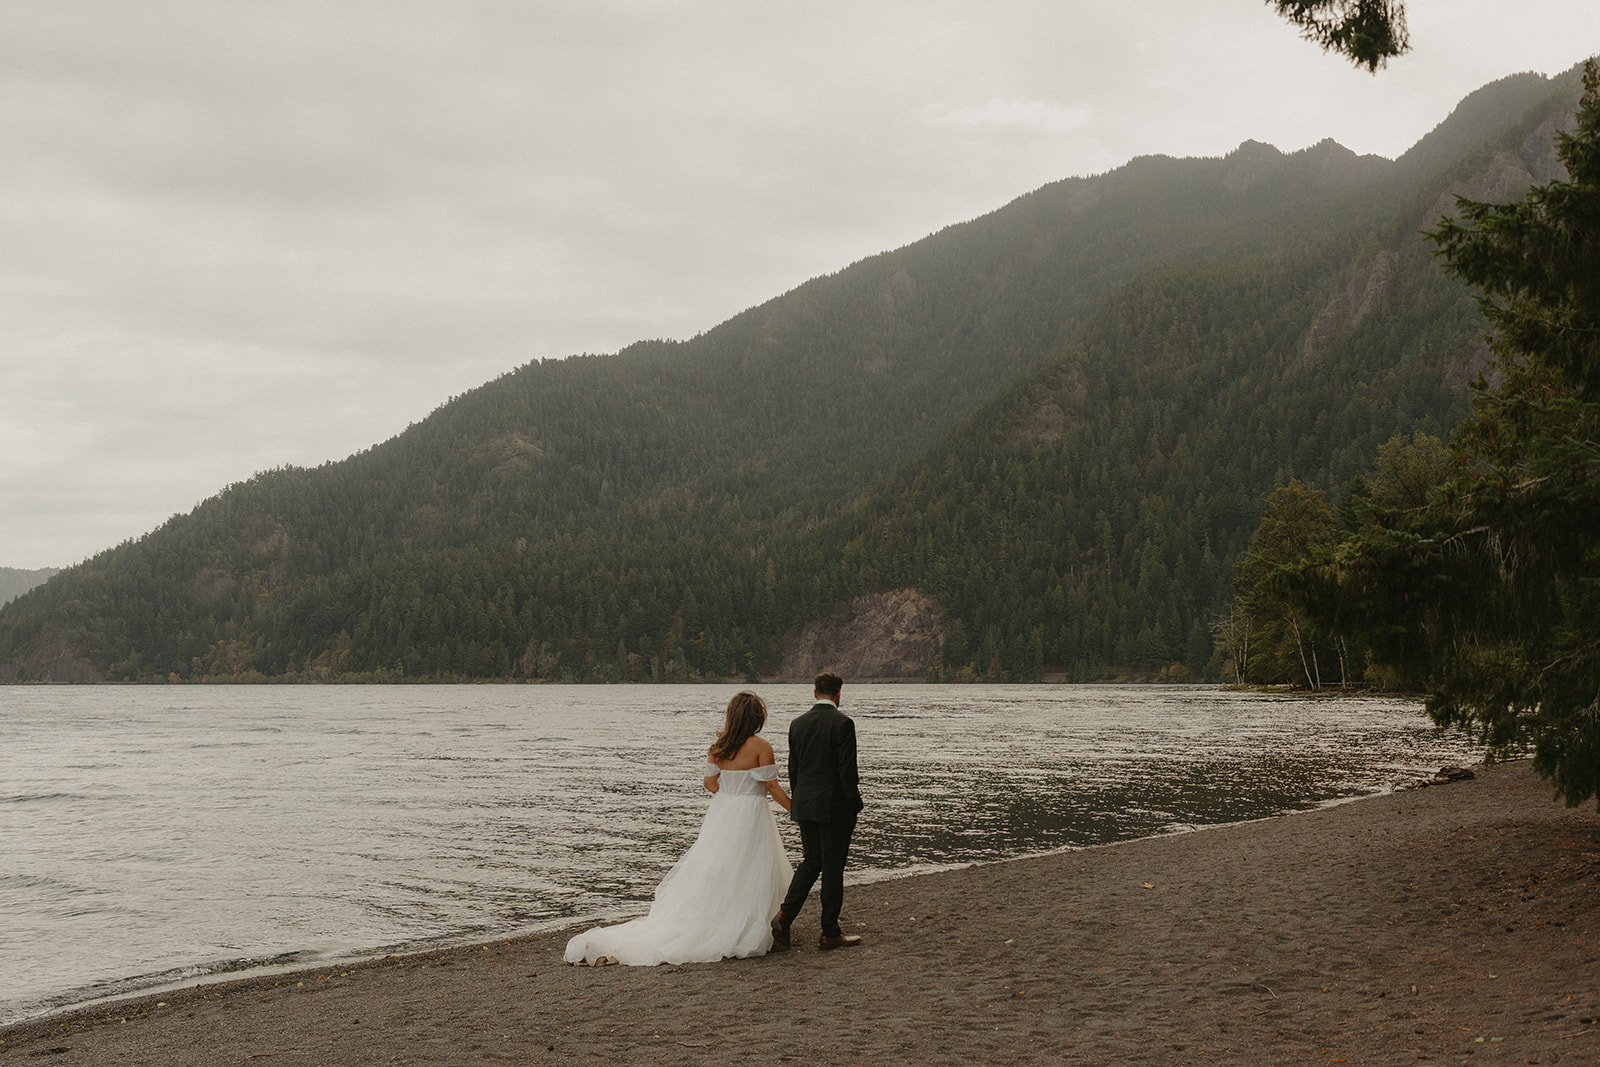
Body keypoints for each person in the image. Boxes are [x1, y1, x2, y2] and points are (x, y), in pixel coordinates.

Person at [564, 691, 793, 966]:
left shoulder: (718, 748)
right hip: (752, 813)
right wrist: (795, 810)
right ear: (758, 717)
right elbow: (771, 786)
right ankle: (748, 921)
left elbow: (709, 783)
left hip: (724, 813)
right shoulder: (761, 747)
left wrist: (730, 794)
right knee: (751, 867)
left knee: (717, 867)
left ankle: (716, 917)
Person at [771, 672, 864, 951]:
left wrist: (797, 805)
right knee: (833, 868)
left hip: (806, 804)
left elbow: (794, 769)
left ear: (815, 693)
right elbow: (847, 771)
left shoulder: (797, 724)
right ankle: (830, 932)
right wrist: (854, 803)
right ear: (838, 693)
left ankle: (785, 915)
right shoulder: (843, 723)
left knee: (812, 861)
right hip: (834, 806)